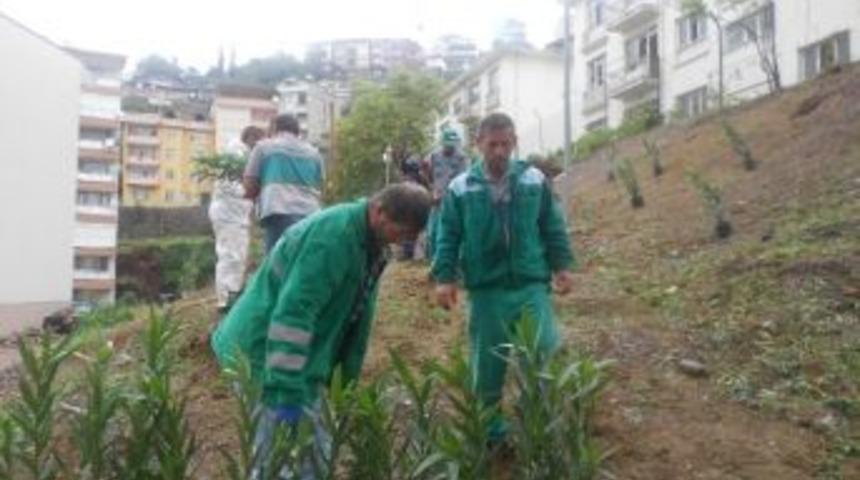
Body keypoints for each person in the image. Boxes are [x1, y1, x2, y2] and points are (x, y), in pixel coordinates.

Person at [211, 183, 432, 479]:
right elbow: (294, 315)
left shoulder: (369, 243)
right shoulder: (333, 238)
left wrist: (343, 385)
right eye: (400, 232)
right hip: (263, 352)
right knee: (274, 462)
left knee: (312, 459)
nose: (400, 242)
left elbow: (353, 317)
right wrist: (286, 391)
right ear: (379, 212)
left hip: (301, 357)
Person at [431, 113, 575, 444]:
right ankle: (491, 432)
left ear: (514, 143)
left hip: (530, 285)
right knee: (488, 363)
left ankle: (537, 426)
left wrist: (561, 266)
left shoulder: (534, 179)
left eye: (505, 144)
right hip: (486, 290)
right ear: (478, 144)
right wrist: (444, 277)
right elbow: (448, 235)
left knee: (543, 352)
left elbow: (551, 225)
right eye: (492, 144)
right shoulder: (460, 187)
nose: (499, 151)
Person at [244, 114, 325, 253]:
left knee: (276, 264)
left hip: (279, 211)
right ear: (297, 131)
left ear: (275, 127)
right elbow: (320, 185)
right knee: (302, 261)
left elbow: (250, 182)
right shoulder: (314, 154)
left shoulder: (264, 147)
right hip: (311, 215)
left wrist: (254, 196)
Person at [209, 125, 266, 313]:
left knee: (237, 256)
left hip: (235, 215)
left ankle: (231, 294)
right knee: (230, 256)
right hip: (228, 214)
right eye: (258, 141)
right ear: (249, 138)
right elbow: (230, 187)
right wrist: (250, 192)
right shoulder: (236, 155)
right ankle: (225, 300)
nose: (259, 145)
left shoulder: (243, 155)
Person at [422, 128, 468, 260]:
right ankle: (434, 263)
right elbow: (425, 171)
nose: (450, 147)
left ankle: (453, 265)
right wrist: (431, 188)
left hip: (453, 201)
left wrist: (447, 195)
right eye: (447, 144)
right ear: (442, 143)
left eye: (452, 144)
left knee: (451, 233)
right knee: (433, 233)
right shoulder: (433, 156)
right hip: (436, 201)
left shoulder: (461, 158)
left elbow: (464, 180)